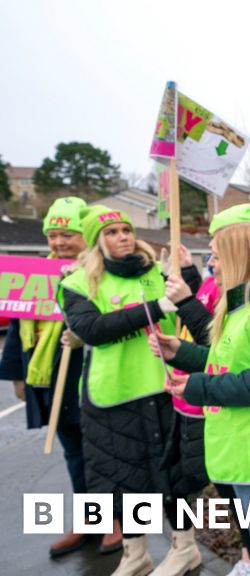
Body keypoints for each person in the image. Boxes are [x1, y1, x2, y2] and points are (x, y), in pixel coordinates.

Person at [151, 219, 250, 576]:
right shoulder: (246, 308)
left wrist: (199, 387)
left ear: (241, 257)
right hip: (249, 452)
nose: (210, 265)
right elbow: (227, 363)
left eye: (216, 256)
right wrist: (182, 352)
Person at [58, 205, 205, 576]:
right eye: (112, 232)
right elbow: (94, 329)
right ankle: (135, 554)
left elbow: (189, 306)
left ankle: (184, 548)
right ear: (96, 241)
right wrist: (156, 306)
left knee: (173, 475)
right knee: (120, 478)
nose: (123, 236)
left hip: (163, 386)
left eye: (126, 229)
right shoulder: (76, 283)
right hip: (112, 393)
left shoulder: (157, 272)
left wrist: (186, 273)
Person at [0, 197, 124, 557]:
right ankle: (90, 518)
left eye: (67, 234)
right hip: (51, 375)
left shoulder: (103, 271)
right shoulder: (33, 274)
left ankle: (115, 519)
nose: (58, 242)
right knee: (74, 452)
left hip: (91, 373)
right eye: (52, 235)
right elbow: (19, 322)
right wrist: (18, 377)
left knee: (103, 450)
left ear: (84, 236)